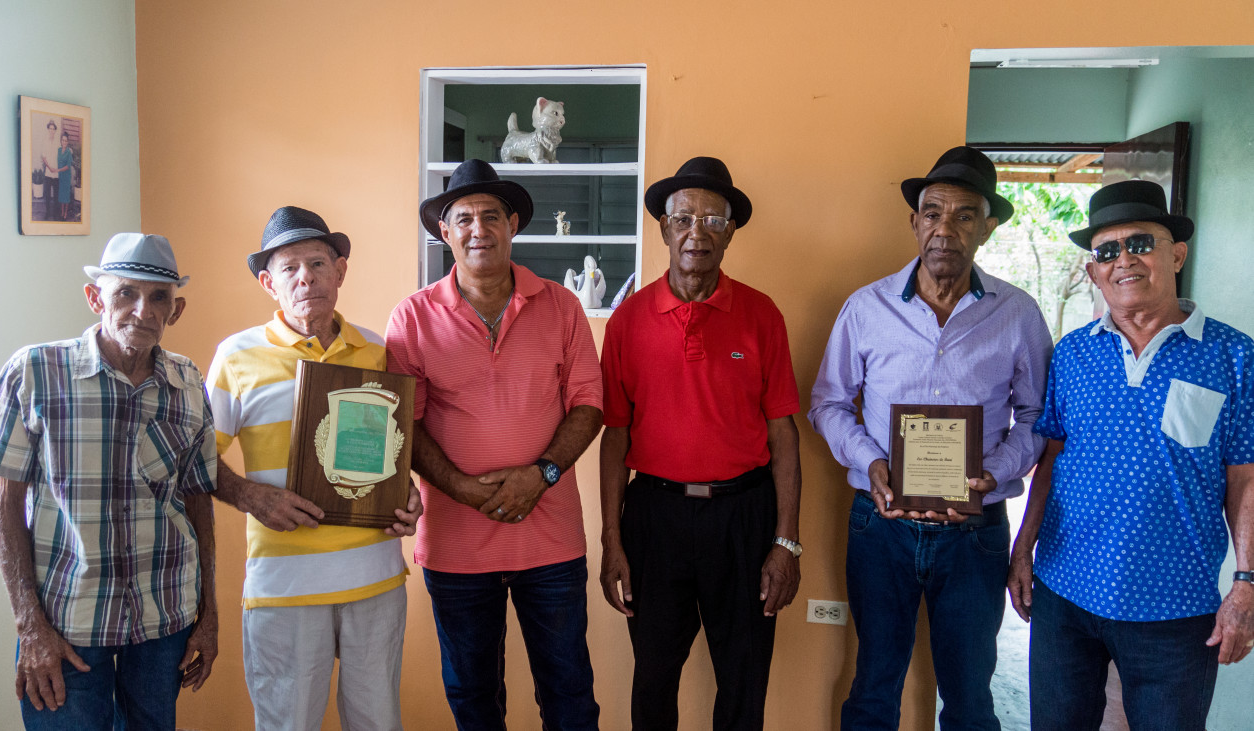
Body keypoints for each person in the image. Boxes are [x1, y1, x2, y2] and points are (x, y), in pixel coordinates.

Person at [809, 146, 1053, 730]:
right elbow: (828, 403)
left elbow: (1037, 416)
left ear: (987, 228)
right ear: (914, 222)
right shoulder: (866, 308)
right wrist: (870, 460)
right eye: (932, 213)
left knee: (969, 696)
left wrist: (996, 471)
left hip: (975, 534)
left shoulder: (1018, 314)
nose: (945, 229)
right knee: (874, 685)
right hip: (881, 527)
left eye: (965, 215)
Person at [1007, 179, 1254, 731]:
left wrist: (1246, 582)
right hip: (1065, 592)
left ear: (1177, 255)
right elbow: (1052, 458)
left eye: (1141, 244)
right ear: (1094, 271)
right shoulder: (1073, 352)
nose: (1124, 260)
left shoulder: (1234, 356)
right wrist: (1023, 547)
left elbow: (1245, 477)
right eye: (1107, 252)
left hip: (1176, 605)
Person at [0, 233, 218, 729]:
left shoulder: (187, 381)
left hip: (165, 615)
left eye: (158, 297)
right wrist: (29, 625)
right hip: (66, 621)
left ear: (176, 310)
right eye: (126, 293)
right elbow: (3, 504)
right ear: (96, 297)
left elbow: (197, 497)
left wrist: (209, 614)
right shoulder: (35, 371)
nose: (142, 310)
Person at [385, 159, 603, 730]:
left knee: (570, 696)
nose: (478, 229)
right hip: (456, 544)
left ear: (513, 226)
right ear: (445, 232)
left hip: (550, 542)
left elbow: (589, 404)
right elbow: (403, 422)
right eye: (464, 219)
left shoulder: (561, 305)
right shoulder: (412, 317)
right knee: (474, 699)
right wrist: (459, 488)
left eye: (491, 217)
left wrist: (541, 475)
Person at [599, 156, 802, 731]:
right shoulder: (628, 321)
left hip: (744, 518)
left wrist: (786, 542)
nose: (698, 233)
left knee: (744, 680)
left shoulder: (762, 315)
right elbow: (615, 436)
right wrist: (612, 540)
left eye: (714, 221)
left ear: (730, 232)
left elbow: (783, 434)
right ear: (664, 228)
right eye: (684, 219)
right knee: (653, 678)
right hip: (655, 518)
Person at [207, 206, 421, 731]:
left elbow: (390, 449)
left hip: (375, 580)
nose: (306, 278)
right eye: (289, 268)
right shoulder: (236, 356)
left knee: (379, 724)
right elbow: (195, 458)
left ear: (340, 272)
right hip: (285, 588)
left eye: (318, 263)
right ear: (268, 283)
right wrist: (250, 496)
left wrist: (407, 492)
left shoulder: (377, 351)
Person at [39, 119, 60, 220]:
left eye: (53, 129)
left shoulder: (58, 143)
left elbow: (61, 156)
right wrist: (49, 167)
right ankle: (47, 213)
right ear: (48, 129)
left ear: (55, 130)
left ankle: (55, 214)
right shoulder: (45, 142)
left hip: (56, 173)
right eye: (50, 128)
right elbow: (44, 157)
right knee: (47, 195)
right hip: (48, 172)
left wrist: (56, 169)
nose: (51, 130)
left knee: (56, 195)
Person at [56, 131, 74, 221]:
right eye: (63, 140)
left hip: (66, 176)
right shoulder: (59, 150)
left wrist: (58, 170)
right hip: (60, 176)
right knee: (61, 194)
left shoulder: (68, 152)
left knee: (66, 195)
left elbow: (68, 166)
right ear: (61, 141)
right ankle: (62, 212)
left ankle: (66, 213)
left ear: (67, 142)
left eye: (66, 140)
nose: (64, 142)